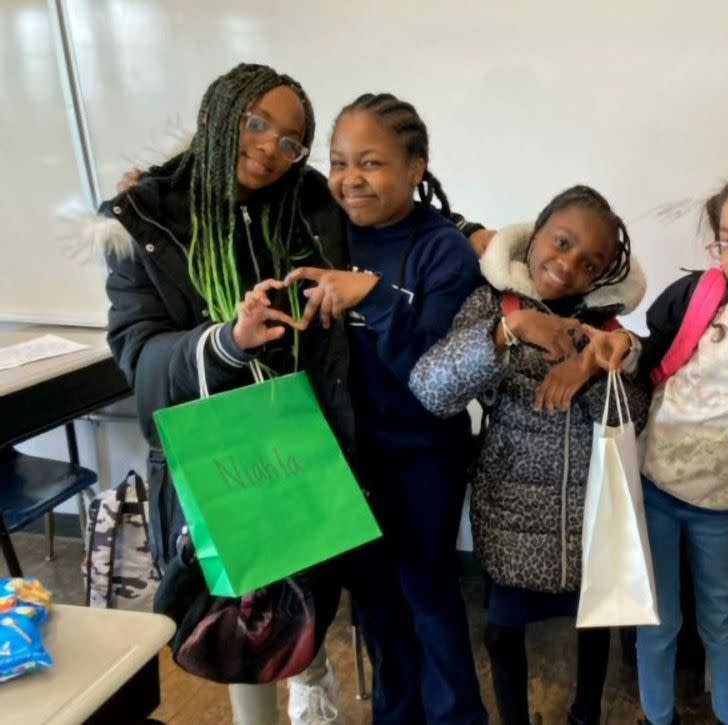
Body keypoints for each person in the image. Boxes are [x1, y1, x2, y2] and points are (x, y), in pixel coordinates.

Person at [99, 63, 348, 725]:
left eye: (291, 140)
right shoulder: (146, 216)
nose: (271, 147)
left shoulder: (311, 201)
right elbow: (139, 352)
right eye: (257, 123)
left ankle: (313, 669)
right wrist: (226, 342)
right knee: (247, 620)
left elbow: (391, 216)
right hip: (215, 454)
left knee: (305, 594)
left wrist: (471, 237)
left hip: (303, 438)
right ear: (220, 112)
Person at [587, 168, 728, 725]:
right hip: (656, 486)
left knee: (721, 619)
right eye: (726, 239)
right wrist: (626, 347)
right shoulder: (702, 296)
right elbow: (652, 352)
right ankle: (657, 716)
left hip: (725, 505)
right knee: (659, 620)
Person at [284, 93, 489, 724]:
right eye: (340, 162)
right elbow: (248, 187)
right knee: (373, 602)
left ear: (416, 167)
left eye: (370, 163)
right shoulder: (325, 227)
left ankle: (458, 716)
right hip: (345, 454)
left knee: (426, 591)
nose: (351, 179)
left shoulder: (443, 251)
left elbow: (434, 371)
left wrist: (370, 296)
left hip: (423, 452)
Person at [410, 185, 649, 725]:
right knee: (501, 631)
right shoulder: (492, 305)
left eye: (590, 262)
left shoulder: (610, 330)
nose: (567, 266)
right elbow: (432, 389)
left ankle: (585, 714)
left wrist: (589, 364)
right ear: (534, 233)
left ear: (604, 275)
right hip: (509, 508)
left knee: (594, 627)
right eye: (560, 243)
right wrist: (509, 333)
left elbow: (631, 417)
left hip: (585, 515)